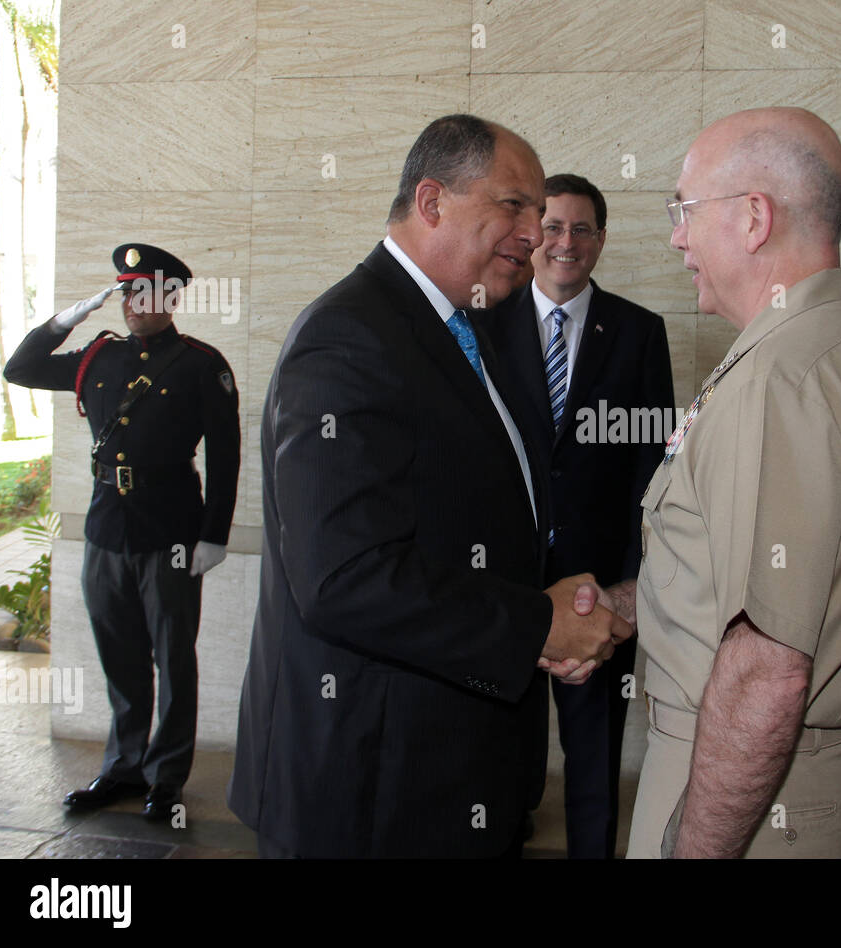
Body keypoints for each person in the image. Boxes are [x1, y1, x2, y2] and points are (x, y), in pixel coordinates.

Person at [227, 114, 632, 859]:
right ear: (432, 201)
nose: (534, 234)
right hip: (368, 791)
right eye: (513, 206)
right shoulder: (348, 338)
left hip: (455, 775)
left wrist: (567, 604)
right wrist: (534, 626)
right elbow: (344, 578)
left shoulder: (476, 328)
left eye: (538, 214)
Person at [625, 107, 841, 859]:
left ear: (754, 218)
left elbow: (768, 670)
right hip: (809, 785)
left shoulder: (780, 378)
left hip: (755, 806)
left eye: (684, 211)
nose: (676, 238)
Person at [4, 243, 240, 821]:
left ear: (172, 296)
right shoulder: (98, 358)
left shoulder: (199, 364)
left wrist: (214, 535)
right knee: (121, 655)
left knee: (173, 659)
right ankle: (124, 767)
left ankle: (166, 778)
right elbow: (20, 368)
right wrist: (65, 320)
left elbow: (227, 456)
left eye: (149, 291)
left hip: (172, 530)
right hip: (106, 528)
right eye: (128, 290)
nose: (136, 302)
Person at [482, 173, 674, 858]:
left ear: (600, 239)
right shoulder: (483, 323)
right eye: (554, 227)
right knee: (503, 746)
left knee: (595, 750)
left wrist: (633, 585)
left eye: (582, 229)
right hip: (506, 582)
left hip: (598, 585)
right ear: (533, 235)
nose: (567, 242)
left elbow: (653, 471)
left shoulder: (639, 332)